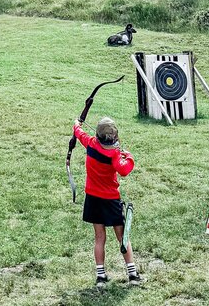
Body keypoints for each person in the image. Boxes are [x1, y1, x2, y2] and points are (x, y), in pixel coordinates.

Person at [72, 116, 140, 287]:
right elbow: (124, 170)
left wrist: (77, 124)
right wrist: (129, 157)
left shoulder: (91, 143)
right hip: (110, 199)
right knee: (122, 236)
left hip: (93, 198)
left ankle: (101, 276)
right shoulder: (114, 153)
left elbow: (79, 133)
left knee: (99, 237)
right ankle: (132, 275)